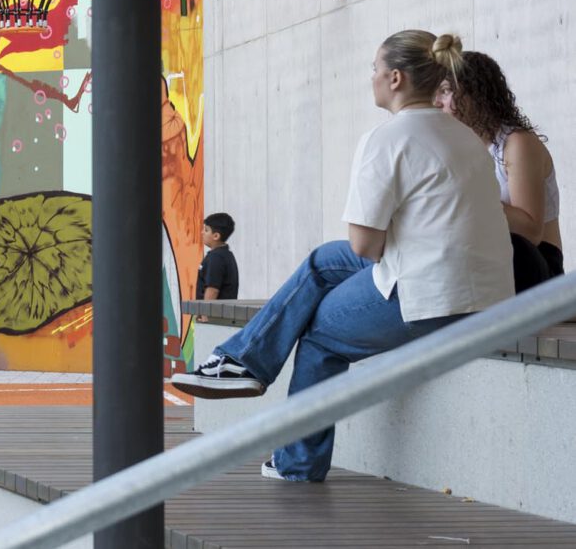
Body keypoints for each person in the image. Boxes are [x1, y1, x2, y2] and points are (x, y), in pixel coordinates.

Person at [170, 30, 513, 482]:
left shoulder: (388, 138)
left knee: (319, 335)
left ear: (395, 78)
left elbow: (366, 246)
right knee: (322, 261)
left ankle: (296, 458)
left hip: (431, 299)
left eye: (374, 69)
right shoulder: (465, 136)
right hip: (490, 297)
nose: (369, 76)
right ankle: (243, 361)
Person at [438, 50, 564, 287]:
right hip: (495, 259)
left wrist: (469, 193)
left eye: (445, 91)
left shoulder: (516, 143)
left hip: (537, 265)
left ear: (475, 93)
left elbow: (531, 231)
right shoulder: (463, 147)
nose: (437, 102)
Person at [196, 212, 239, 300]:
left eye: (206, 230)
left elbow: (212, 290)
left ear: (216, 236)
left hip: (213, 313)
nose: (202, 232)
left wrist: (205, 313)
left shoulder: (216, 258)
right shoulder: (226, 255)